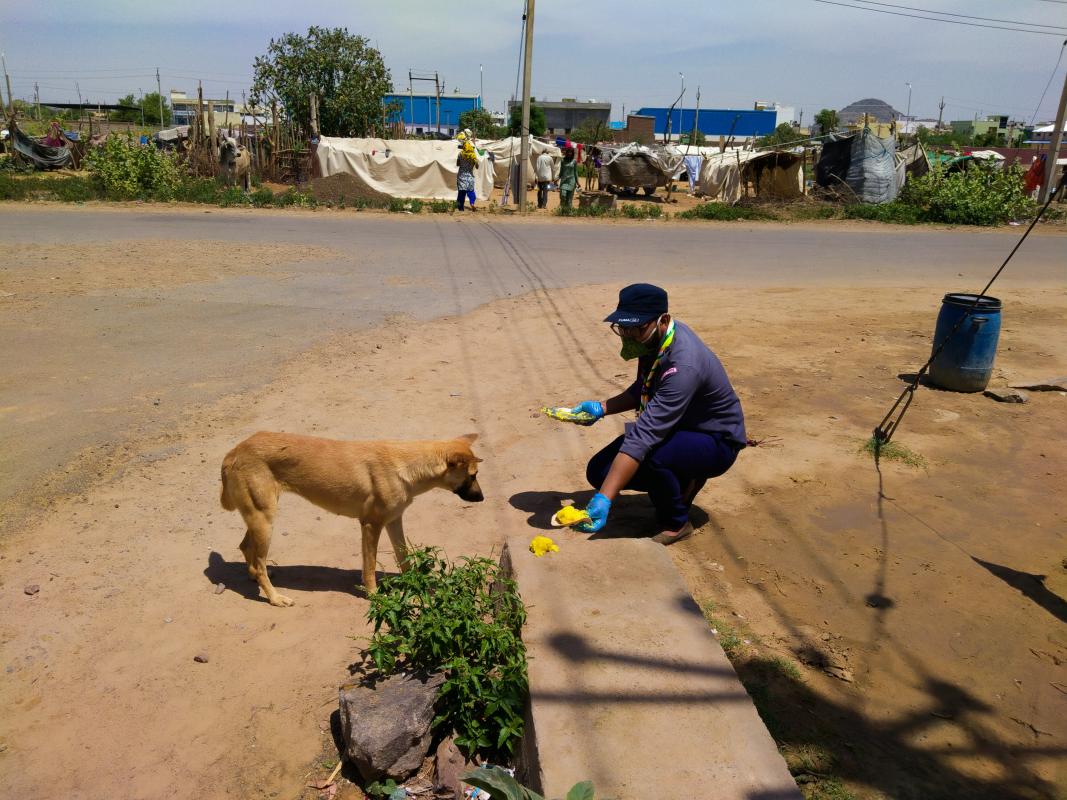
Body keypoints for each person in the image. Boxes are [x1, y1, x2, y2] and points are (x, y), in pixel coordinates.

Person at [565, 283, 746, 543]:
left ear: (663, 320)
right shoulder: (655, 341)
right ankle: (680, 480)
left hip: (716, 440)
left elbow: (643, 437)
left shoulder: (683, 364)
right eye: (622, 328)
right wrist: (602, 408)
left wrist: (605, 498)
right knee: (599, 470)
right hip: (681, 427)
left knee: (652, 456)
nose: (627, 335)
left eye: (635, 329)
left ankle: (677, 522)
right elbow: (645, 385)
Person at [456, 138, 479, 211]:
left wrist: (462, 163)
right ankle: (472, 203)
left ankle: (461, 208)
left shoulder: (460, 154)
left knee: (461, 193)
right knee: (471, 191)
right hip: (470, 177)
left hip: (462, 176)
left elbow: (457, 164)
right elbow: (477, 167)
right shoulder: (473, 156)